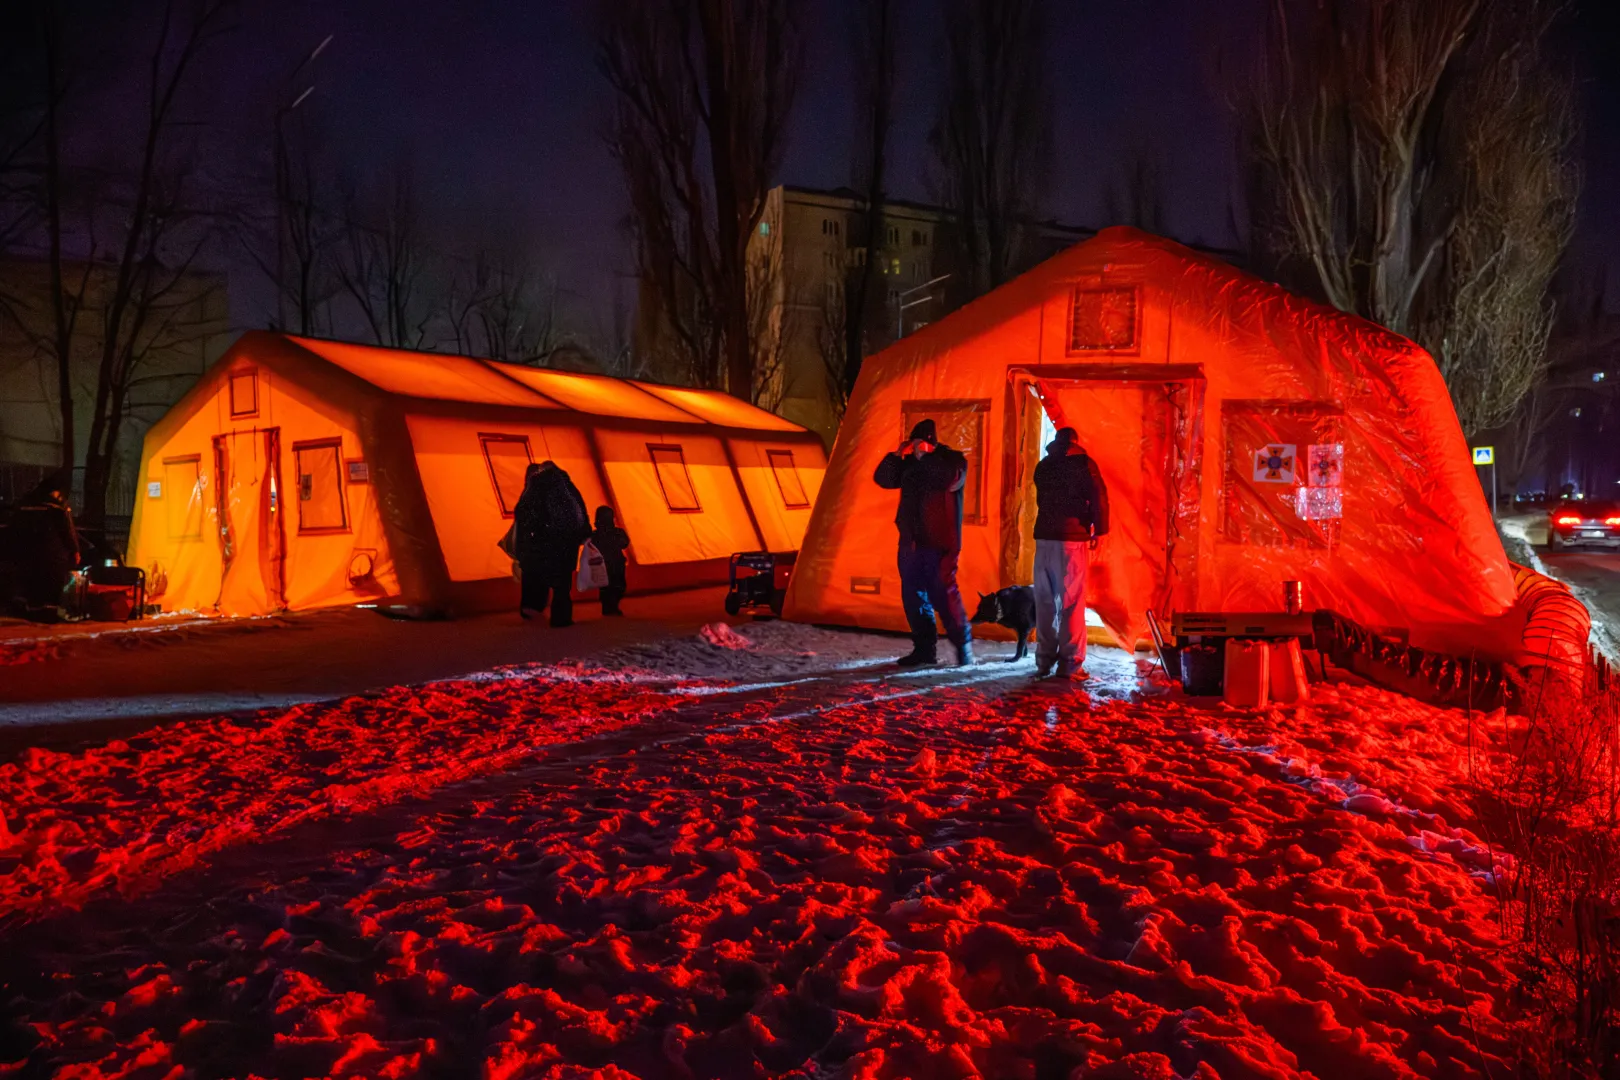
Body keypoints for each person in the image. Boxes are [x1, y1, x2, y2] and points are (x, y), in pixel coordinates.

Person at [874, 419, 973, 667]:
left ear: (932, 443)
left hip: (940, 544)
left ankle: (963, 645)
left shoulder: (952, 461)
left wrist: (926, 457)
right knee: (913, 596)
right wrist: (897, 455)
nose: (917, 449)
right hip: (911, 543)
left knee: (944, 596)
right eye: (914, 444)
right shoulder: (911, 465)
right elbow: (883, 478)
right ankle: (924, 650)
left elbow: (949, 478)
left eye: (922, 444)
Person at [1031, 426, 1109, 679]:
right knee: (1071, 601)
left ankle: (1043, 660)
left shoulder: (1043, 466)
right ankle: (1070, 663)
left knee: (1044, 601)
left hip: (1043, 537)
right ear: (1075, 442)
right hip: (1071, 540)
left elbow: (1042, 500)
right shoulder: (1084, 464)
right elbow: (1099, 497)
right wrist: (1100, 530)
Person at [513, 460, 590, 626]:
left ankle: (533, 609)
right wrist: (583, 533)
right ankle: (561, 617)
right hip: (567, 541)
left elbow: (522, 513)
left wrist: (527, 539)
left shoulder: (535, 488)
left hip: (543, 542)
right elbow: (580, 510)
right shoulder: (566, 486)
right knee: (563, 583)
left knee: (540, 574)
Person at [11, 470, 81, 618]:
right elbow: (67, 531)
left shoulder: (27, 503)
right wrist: (75, 550)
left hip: (28, 552)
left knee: (33, 585)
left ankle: (31, 610)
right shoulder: (57, 507)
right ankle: (48, 613)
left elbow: (15, 527)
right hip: (53, 554)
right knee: (52, 586)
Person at [591, 505, 630, 616]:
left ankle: (610, 607)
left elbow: (624, 543)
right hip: (611, 564)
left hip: (612, 563)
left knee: (612, 586)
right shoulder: (612, 533)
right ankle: (610, 607)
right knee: (613, 586)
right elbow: (624, 543)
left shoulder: (597, 534)